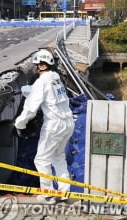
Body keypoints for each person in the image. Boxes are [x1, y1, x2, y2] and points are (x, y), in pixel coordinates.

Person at [14, 49, 74, 205]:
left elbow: (30, 109)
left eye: (36, 65)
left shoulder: (41, 82)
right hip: (68, 122)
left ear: (41, 66)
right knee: (58, 157)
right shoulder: (55, 77)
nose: (34, 67)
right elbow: (48, 95)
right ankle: (64, 191)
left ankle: (47, 195)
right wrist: (31, 91)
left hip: (54, 125)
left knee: (41, 160)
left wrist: (19, 123)